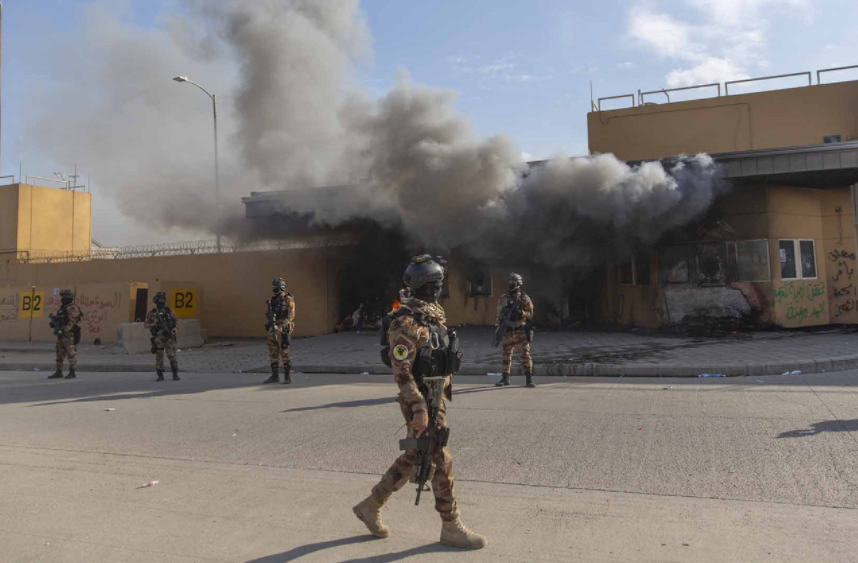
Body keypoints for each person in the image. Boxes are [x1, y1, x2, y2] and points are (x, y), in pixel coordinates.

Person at [353, 255, 486, 549]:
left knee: (417, 456)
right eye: (438, 284)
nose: (439, 290)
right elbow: (401, 373)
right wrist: (418, 408)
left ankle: (370, 504)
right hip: (421, 399)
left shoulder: (430, 315)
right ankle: (451, 527)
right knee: (440, 460)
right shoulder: (406, 322)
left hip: (435, 396)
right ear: (431, 287)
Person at [495, 273, 535, 388]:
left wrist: (521, 313)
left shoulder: (524, 298)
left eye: (513, 283)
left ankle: (529, 378)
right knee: (505, 355)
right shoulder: (503, 298)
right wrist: (498, 326)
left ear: (518, 284)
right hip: (507, 331)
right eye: (509, 283)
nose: (511, 286)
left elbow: (531, 314)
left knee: (525, 355)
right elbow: (498, 313)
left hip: (519, 332)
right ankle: (505, 378)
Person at [263, 278, 296, 385]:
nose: (274, 289)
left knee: (285, 352)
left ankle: (287, 377)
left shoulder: (288, 299)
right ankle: (275, 376)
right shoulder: (271, 301)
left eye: (275, 287)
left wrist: (282, 326)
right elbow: (267, 314)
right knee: (273, 352)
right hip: (273, 328)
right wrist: (270, 323)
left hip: (283, 329)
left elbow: (291, 316)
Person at [144, 292, 180, 381]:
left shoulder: (169, 311)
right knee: (159, 356)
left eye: (162, 300)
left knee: (171, 355)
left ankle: (175, 374)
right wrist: (153, 324)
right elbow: (145, 325)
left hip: (169, 337)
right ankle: (160, 375)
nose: (161, 302)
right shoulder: (152, 313)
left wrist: (175, 329)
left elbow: (176, 321)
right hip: (159, 337)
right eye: (160, 300)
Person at [47, 289, 82, 380]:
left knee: (71, 353)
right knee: (59, 353)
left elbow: (72, 322)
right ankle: (59, 372)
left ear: (68, 298)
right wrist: (54, 324)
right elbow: (61, 319)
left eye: (64, 298)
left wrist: (65, 330)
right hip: (61, 335)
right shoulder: (63, 308)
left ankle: (72, 372)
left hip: (69, 335)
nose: (62, 299)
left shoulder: (72, 308)